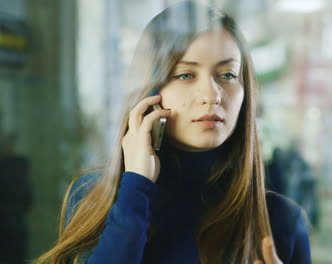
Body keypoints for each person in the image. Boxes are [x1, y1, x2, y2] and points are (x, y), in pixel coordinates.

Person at [34, 1, 312, 263]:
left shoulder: (281, 220)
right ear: (151, 92)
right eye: (185, 75)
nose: (211, 95)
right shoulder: (94, 199)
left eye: (227, 75)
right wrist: (136, 185)